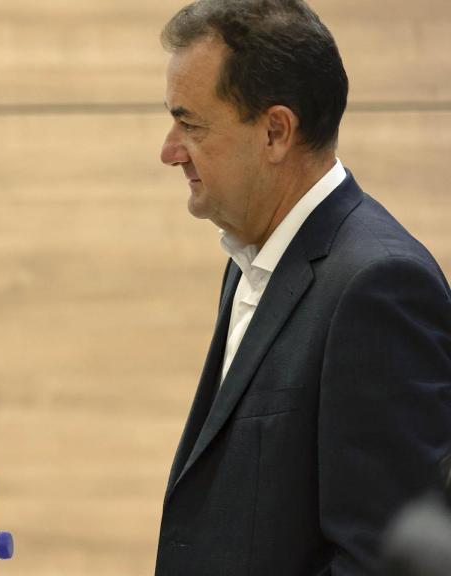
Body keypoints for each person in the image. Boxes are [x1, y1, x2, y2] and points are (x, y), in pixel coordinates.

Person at [156, 1, 451, 574]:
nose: (169, 151)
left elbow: (390, 561)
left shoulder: (378, 286)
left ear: (275, 131)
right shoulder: (254, 254)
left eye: (189, 123)